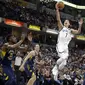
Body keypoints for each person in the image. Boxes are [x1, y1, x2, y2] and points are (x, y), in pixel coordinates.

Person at [52, 3, 83, 81]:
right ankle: (55, 68)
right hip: (60, 46)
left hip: (65, 47)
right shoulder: (61, 28)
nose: (65, 21)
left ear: (69, 24)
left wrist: (80, 25)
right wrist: (57, 9)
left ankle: (56, 72)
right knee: (63, 57)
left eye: (67, 21)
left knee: (64, 63)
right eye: (65, 21)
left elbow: (78, 32)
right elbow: (58, 19)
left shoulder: (71, 31)